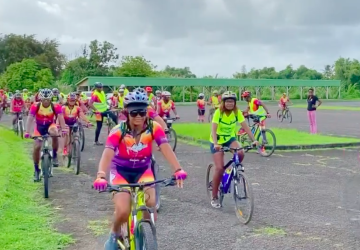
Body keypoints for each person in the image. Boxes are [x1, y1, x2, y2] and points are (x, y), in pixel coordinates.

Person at [93, 89, 187, 250]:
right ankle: (114, 235)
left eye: (142, 112)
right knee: (123, 210)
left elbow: (165, 148)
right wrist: (101, 175)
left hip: (143, 170)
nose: (139, 116)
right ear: (126, 113)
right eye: (134, 112)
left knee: (150, 204)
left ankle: (145, 235)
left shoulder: (154, 127)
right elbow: (107, 154)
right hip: (121, 172)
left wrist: (178, 169)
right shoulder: (118, 131)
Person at [210, 91, 258, 208]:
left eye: (232, 101)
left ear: (235, 103)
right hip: (217, 140)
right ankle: (214, 196)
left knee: (240, 152)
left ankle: (231, 171)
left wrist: (254, 140)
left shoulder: (237, 112)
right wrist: (216, 143)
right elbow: (213, 129)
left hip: (230, 138)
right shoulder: (218, 113)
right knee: (219, 168)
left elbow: (245, 126)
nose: (230, 104)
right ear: (223, 102)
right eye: (227, 101)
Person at [24, 89, 67, 181]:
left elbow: (60, 117)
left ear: (51, 99)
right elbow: (30, 118)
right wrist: (27, 131)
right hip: (39, 128)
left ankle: (54, 155)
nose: (46, 101)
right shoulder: (35, 106)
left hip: (50, 125)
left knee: (55, 133)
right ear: (41, 99)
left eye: (48, 100)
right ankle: (36, 170)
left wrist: (63, 129)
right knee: (37, 147)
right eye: (44, 100)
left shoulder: (56, 106)